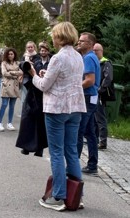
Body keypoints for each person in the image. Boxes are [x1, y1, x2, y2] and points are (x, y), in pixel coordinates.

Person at [30, 22, 86, 211]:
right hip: (75, 108)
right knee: (71, 151)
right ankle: (76, 195)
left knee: (56, 152)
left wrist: (33, 74)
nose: (53, 39)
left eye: (54, 35)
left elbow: (44, 86)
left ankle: (59, 196)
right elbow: (68, 80)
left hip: (57, 109)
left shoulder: (58, 58)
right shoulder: (79, 57)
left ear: (60, 37)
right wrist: (47, 75)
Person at [16, 42, 51, 156]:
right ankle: (26, 146)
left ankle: (39, 148)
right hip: (33, 93)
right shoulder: (35, 61)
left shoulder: (51, 63)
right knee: (27, 120)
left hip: (45, 95)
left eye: (45, 50)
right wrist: (26, 64)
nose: (43, 52)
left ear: (48, 51)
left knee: (41, 123)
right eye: (41, 50)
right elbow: (25, 69)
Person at [76, 32, 101, 176]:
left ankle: (73, 166)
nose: (79, 43)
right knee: (90, 133)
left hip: (87, 98)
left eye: (82, 41)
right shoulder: (89, 57)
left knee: (78, 131)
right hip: (91, 98)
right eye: (79, 41)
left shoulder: (89, 58)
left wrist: (75, 87)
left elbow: (90, 80)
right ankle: (92, 165)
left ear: (90, 44)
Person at [0, 48, 23, 131]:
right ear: (6, 55)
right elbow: (4, 73)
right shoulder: (4, 63)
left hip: (15, 85)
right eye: (9, 54)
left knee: (12, 106)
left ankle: (9, 123)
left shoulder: (18, 63)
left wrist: (11, 72)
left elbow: (21, 72)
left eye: (12, 54)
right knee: (4, 104)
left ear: (14, 55)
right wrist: (15, 73)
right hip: (7, 85)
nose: (10, 55)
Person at [93, 43, 113, 150]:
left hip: (100, 95)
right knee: (95, 118)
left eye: (96, 50)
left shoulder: (105, 63)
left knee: (100, 118)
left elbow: (108, 78)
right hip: (94, 93)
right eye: (93, 50)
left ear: (101, 51)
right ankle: (95, 139)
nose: (94, 52)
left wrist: (100, 90)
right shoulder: (97, 62)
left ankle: (103, 142)